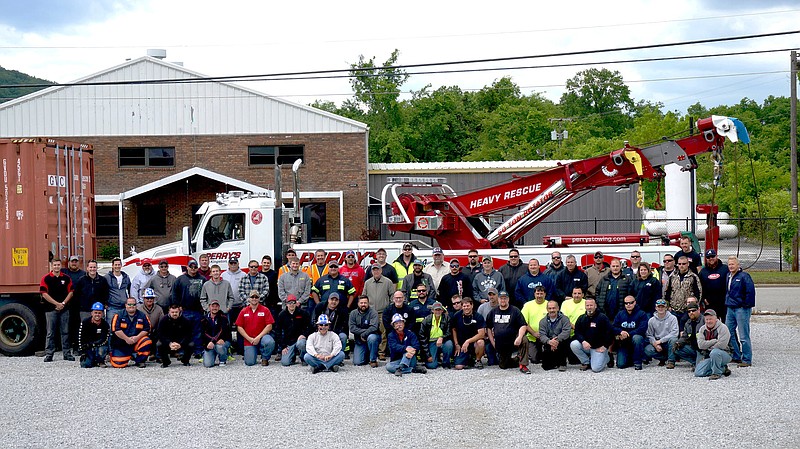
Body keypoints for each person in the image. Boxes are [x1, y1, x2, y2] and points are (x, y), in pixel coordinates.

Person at [170, 258, 206, 358]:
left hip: (198, 311)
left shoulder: (202, 279)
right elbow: (174, 293)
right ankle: (182, 351)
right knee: (183, 332)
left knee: (198, 332)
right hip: (184, 310)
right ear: (187, 267)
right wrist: (177, 306)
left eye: (195, 267)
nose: (193, 268)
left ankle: (198, 351)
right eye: (191, 266)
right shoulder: (180, 279)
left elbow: (206, 293)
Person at [40, 259, 74, 362]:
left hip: (64, 309)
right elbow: (44, 293)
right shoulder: (46, 279)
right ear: (51, 266)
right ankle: (49, 354)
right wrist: (56, 304)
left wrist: (63, 303)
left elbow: (71, 292)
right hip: (50, 309)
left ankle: (67, 354)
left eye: (58, 265)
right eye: (54, 265)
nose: (56, 267)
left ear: (60, 266)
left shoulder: (67, 278)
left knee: (65, 332)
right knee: (50, 332)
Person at [486, 290, 528, 372]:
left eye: (505, 298)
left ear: (508, 299)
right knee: (503, 366)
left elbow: (523, 325)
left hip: (514, 340)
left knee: (524, 339)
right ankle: (517, 359)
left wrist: (519, 337)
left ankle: (523, 365)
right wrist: (493, 342)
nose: (503, 300)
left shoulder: (515, 310)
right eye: (501, 298)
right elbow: (488, 328)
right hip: (501, 342)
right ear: (498, 299)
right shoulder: (493, 312)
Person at [725, 256, 756, 367]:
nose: (731, 266)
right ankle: (736, 356)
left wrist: (745, 305)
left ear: (738, 265)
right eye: (729, 264)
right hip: (730, 308)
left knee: (743, 335)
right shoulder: (728, 276)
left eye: (733, 264)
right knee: (729, 333)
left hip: (741, 309)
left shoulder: (744, 276)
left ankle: (747, 359)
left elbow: (750, 292)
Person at [569, 297, 613, 372]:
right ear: (585, 307)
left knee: (596, 369)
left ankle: (607, 357)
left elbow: (610, 333)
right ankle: (586, 362)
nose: (589, 307)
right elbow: (577, 332)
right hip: (587, 346)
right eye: (587, 305)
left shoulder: (602, 318)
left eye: (591, 305)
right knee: (574, 344)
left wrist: (605, 346)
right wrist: (583, 341)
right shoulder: (581, 318)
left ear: (595, 306)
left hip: (598, 348)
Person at [363, 264, 396, 361]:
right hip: (371, 313)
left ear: (381, 271)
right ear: (371, 272)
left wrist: (389, 309)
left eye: (377, 270)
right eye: (374, 270)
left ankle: (381, 353)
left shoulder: (388, 282)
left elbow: (392, 296)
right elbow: (364, 296)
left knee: (383, 333)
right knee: (370, 332)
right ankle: (370, 352)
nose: (376, 272)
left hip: (383, 312)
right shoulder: (368, 283)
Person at [235, 289, 277, 367]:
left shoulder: (265, 310)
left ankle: (265, 358)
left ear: (259, 299)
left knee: (270, 342)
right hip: (249, 340)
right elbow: (239, 327)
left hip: (262, 338)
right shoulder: (243, 311)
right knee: (249, 363)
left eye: (256, 297)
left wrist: (258, 337)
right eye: (252, 297)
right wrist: (249, 339)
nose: (254, 299)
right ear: (249, 299)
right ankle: (252, 352)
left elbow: (269, 326)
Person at [109, 298, 152, 368]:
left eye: (134, 304)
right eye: (129, 304)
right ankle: (130, 355)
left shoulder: (142, 315)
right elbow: (115, 329)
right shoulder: (118, 315)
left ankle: (140, 360)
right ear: (126, 305)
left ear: (136, 305)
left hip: (136, 342)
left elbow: (147, 328)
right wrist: (126, 339)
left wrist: (137, 337)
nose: (131, 306)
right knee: (118, 364)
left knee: (146, 341)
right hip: (121, 344)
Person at [612, 295, 648, 370]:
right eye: (626, 303)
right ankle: (630, 358)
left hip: (636, 339)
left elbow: (642, 329)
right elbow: (613, 327)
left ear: (635, 302)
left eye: (631, 303)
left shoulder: (642, 314)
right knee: (620, 365)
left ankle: (638, 362)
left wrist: (628, 334)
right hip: (623, 342)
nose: (628, 305)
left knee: (637, 338)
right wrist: (621, 332)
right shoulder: (620, 314)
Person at [695, 309, 733, 380]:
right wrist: (714, 341)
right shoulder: (702, 329)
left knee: (715, 352)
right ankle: (723, 369)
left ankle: (716, 373)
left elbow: (722, 345)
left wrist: (707, 346)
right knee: (698, 372)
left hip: (725, 354)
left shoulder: (723, 328)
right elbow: (700, 345)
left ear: (716, 319)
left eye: (711, 319)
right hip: (708, 354)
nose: (708, 321)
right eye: (707, 319)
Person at [274, 295, 311, 367]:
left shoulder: (303, 313)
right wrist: (283, 346)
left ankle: (303, 358)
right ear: (286, 304)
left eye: (293, 303)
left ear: (296, 303)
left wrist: (304, 335)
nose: (292, 305)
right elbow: (277, 331)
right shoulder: (282, 315)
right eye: (290, 303)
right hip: (288, 342)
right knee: (285, 363)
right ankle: (292, 356)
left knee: (301, 344)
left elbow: (310, 327)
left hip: (300, 340)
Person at [451, 297, 486, 370]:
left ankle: (478, 360)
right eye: (464, 306)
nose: (466, 308)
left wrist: (468, 341)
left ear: (472, 305)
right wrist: (456, 344)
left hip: (474, 343)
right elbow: (453, 330)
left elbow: (482, 334)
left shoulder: (478, 316)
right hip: (462, 345)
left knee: (481, 342)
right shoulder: (457, 316)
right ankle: (468, 359)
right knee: (458, 367)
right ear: (462, 306)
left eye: (468, 306)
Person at [537, 300, 572, 372]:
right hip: (549, 342)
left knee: (564, 342)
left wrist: (556, 340)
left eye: (554, 308)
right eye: (550, 308)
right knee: (546, 367)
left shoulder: (565, 319)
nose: (552, 310)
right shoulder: (542, 321)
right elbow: (542, 334)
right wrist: (549, 341)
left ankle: (562, 363)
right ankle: (555, 361)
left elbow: (566, 332)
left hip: (561, 341)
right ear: (547, 309)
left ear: (558, 308)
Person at [418, 301, 454, 369]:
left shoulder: (447, 318)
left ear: (442, 310)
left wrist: (442, 337)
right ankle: (435, 357)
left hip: (443, 341)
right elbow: (422, 338)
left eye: (439, 309)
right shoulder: (426, 320)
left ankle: (446, 363)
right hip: (431, 342)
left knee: (449, 344)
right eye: (436, 310)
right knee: (431, 366)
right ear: (432, 310)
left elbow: (449, 333)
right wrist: (428, 355)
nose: (438, 311)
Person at [61, 255, 86, 354]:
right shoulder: (64, 272)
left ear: (78, 263)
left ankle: (76, 347)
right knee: (66, 326)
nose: (74, 263)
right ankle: (65, 347)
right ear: (69, 263)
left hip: (78, 304)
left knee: (77, 326)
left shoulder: (83, 274)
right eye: (72, 261)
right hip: (66, 303)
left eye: (76, 261)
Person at [644, 299, 679, 365]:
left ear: (666, 308)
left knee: (674, 340)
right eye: (659, 307)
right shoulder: (651, 320)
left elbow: (674, 333)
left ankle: (671, 361)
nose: (660, 308)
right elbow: (649, 335)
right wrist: (655, 344)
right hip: (657, 343)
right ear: (655, 308)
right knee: (647, 350)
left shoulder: (673, 318)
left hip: (668, 342)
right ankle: (663, 358)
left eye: (662, 307)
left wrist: (661, 341)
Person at [349, 295, 381, 367]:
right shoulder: (353, 313)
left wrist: (364, 334)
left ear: (368, 303)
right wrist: (363, 333)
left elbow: (374, 327)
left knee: (372, 338)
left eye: (365, 303)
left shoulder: (373, 313)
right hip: (359, 340)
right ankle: (366, 356)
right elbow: (352, 328)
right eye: (361, 303)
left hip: (372, 337)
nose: (363, 304)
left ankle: (373, 360)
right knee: (357, 362)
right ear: (358, 303)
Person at [521, 286, 549, 365]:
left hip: (546, 336)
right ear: (534, 294)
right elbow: (523, 322)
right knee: (534, 359)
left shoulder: (549, 304)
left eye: (541, 294)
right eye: (537, 293)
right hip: (532, 337)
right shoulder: (527, 305)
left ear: (545, 294)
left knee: (547, 358)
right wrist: (533, 333)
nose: (539, 296)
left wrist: (544, 335)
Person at [699, 249, 729, 322]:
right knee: (712, 323)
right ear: (706, 259)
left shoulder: (725, 269)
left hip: (724, 302)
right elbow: (700, 286)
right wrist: (703, 299)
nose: (711, 259)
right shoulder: (703, 272)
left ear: (716, 256)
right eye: (708, 257)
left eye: (713, 256)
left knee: (727, 324)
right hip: (710, 303)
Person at [200, 299, 232, 368]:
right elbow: (203, 333)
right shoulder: (203, 319)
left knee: (219, 346)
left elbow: (222, 331)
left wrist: (213, 341)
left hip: (222, 340)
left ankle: (222, 359)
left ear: (219, 307)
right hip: (209, 343)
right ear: (209, 307)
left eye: (216, 306)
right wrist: (209, 342)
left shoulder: (223, 317)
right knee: (208, 364)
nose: (214, 308)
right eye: (213, 306)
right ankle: (210, 353)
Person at [670, 302, 703, 369]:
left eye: (693, 310)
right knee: (676, 349)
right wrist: (678, 343)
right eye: (689, 311)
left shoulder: (705, 321)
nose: (691, 313)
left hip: (702, 350)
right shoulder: (687, 323)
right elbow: (684, 337)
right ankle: (695, 362)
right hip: (693, 348)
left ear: (698, 310)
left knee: (700, 371)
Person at [77, 302, 109, 368]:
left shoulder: (105, 324)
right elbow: (80, 337)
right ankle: (92, 360)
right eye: (95, 312)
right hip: (87, 346)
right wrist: (82, 350)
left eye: (99, 313)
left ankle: (100, 361)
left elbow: (105, 339)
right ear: (92, 313)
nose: (97, 315)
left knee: (103, 349)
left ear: (103, 314)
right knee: (86, 365)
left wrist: (94, 344)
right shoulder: (85, 322)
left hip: (99, 345)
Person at [561, 287, 586, 365]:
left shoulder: (586, 303)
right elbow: (563, 318)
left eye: (579, 293)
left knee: (574, 361)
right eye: (575, 293)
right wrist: (573, 327)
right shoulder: (565, 303)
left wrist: (578, 330)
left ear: (583, 295)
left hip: (582, 333)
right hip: (568, 331)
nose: (577, 295)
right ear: (572, 294)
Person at [105, 257, 131, 326]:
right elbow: (103, 290)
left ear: (121, 265)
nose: (117, 266)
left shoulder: (126, 277)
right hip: (112, 307)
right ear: (112, 266)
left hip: (123, 307)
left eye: (119, 265)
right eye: (115, 265)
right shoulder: (107, 277)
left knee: (123, 327)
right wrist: (105, 303)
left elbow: (130, 289)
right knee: (111, 327)